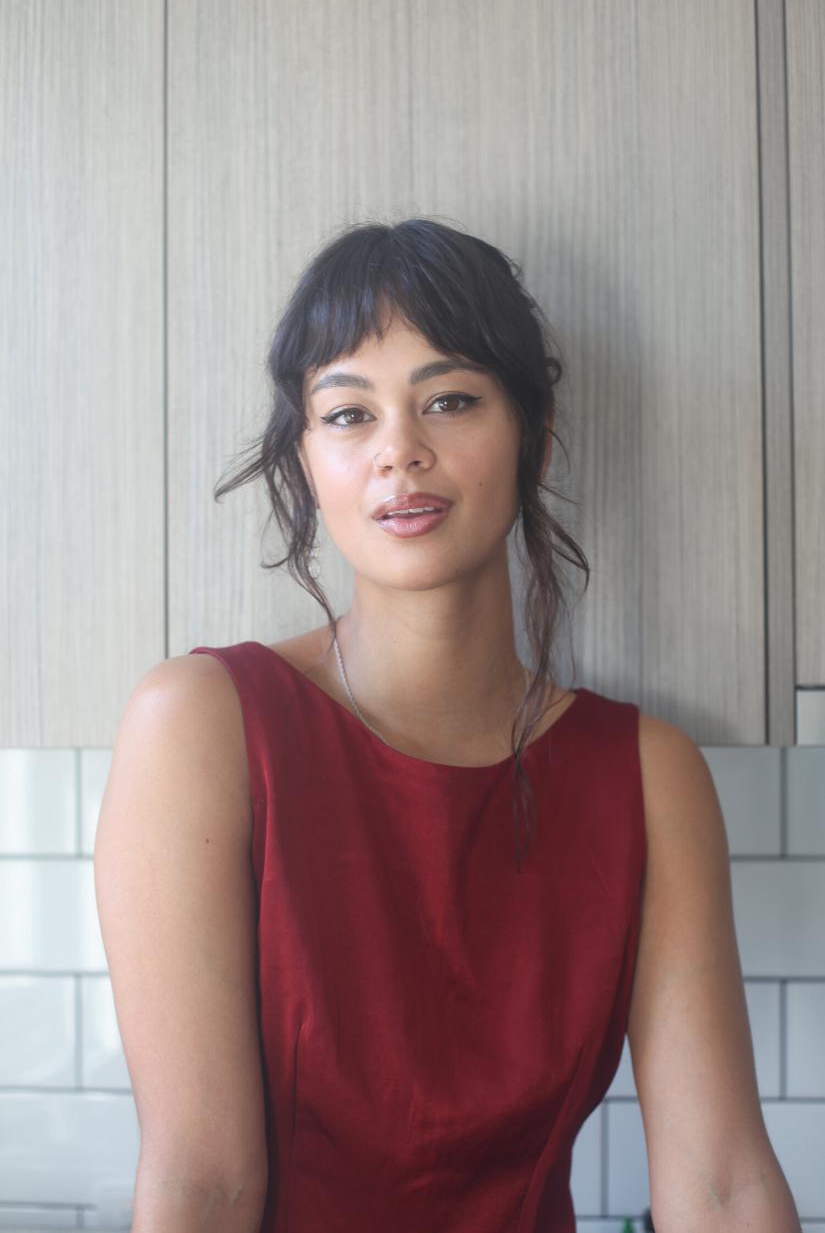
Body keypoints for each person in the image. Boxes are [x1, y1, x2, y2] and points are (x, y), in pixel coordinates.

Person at [93, 218, 800, 1232]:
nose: (400, 452)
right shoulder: (199, 725)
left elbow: (725, 1183)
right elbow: (203, 1182)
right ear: (304, 462)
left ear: (535, 437)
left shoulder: (647, 772)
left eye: (451, 399)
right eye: (347, 414)